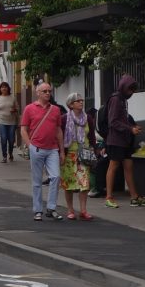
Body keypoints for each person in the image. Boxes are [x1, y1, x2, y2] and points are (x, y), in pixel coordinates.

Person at [21, 83, 64, 221]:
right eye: (44, 91)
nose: (47, 93)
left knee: (56, 177)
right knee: (37, 180)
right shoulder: (29, 109)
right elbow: (23, 129)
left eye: (49, 91)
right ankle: (38, 210)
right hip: (37, 148)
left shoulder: (56, 110)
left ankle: (51, 208)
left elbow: (58, 130)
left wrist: (62, 150)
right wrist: (30, 145)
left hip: (52, 149)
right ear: (37, 93)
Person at [104, 74, 145, 208]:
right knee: (114, 166)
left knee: (129, 166)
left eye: (133, 90)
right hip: (116, 140)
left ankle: (134, 196)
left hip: (124, 139)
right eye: (130, 90)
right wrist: (130, 129)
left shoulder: (122, 100)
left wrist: (132, 127)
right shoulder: (116, 99)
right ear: (123, 87)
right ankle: (109, 197)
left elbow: (122, 119)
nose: (131, 93)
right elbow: (113, 121)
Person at [61, 92, 96, 220]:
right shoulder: (64, 118)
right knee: (68, 183)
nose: (81, 102)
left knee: (84, 183)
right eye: (78, 101)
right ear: (70, 104)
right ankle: (70, 210)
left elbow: (91, 136)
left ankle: (83, 210)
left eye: (82, 100)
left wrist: (94, 150)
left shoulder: (88, 118)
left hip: (84, 154)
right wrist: (61, 153)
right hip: (69, 153)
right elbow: (60, 135)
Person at [0, 82, 19, 163]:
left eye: (5, 87)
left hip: (12, 121)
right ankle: (4, 156)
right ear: (0, 89)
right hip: (1, 120)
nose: (4, 88)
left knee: (11, 139)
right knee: (3, 138)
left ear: (8, 88)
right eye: (2, 87)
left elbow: (17, 108)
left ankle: (10, 153)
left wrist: (15, 110)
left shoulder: (12, 98)